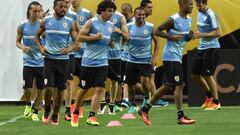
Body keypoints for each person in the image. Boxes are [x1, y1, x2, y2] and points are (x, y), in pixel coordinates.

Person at [138, 0, 196, 125]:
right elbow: (156, 31)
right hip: (171, 56)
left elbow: (182, 38)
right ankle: (180, 116)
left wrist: (189, 37)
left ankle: (145, 108)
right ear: (181, 4)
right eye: (190, 4)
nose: (192, 7)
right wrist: (170, 37)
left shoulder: (189, 20)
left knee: (168, 86)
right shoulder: (173, 19)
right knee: (180, 84)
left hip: (177, 56)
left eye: (192, 5)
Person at [71, 0, 116, 127]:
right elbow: (80, 38)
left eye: (112, 11)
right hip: (88, 62)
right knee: (84, 89)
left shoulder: (110, 25)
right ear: (102, 11)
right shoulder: (91, 22)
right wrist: (94, 38)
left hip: (103, 62)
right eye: (109, 11)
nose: (111, 14)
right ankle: (75, 112)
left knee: (100, 89)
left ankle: (91, 116)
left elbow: (107, 40)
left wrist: (110, 43)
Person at [35, 0, 77, 125]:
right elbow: (36, 36)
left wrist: (68, 49)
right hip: (49, 60)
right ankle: (47, 109)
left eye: (65, 6)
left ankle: (56, 114)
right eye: (60, 6)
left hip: (64, 61)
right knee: (48, 88)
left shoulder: (70, 22)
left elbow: (77, 42)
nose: (63, 9)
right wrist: (41, 48)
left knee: (60, 90)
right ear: (54, 7)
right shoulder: (46, 21)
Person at [124, 7, 159, 114]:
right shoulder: (128, 26)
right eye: (139, 15)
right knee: (130, 85)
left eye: (143, 15)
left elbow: (157, 42)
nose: (142, 17)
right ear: (134, 15)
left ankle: (146, 99)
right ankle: (132, 104)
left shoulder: (150, 27)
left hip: (145, 60)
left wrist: (154, 58)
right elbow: (124, 39)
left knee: (145, 81)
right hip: (131, 59)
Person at [97, 0, 128, 115]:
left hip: (115, 54)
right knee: (101, 80)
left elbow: (126, 36)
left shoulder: (120, 17)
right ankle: (102, 103)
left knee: (114, 80)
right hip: (101, 52)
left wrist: (120, 32)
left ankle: (112, 104)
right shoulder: (98, 16)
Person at [16, 1, 44, 121]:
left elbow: (49, 39)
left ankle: (35, 112)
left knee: (41, 89)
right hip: (28, 62)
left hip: (42, 62)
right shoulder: (22, 25)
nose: (37, 13)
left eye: (39, 11)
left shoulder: (43, 25)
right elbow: (17, 41)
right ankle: (28, 103)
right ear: (29, 11)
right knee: (27, 88)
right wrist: (23, 48)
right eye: (34, 11)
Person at [191, 0, 221, 110]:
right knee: (194, 75)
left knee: (207, 75)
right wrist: (196, 34)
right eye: (196, 5)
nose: (197, 8)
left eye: (199, 5)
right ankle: (209, 96)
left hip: (212, 48)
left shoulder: (211, 15)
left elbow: (218, 33)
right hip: (201, 48)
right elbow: (202, 30)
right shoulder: (199, 13)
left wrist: (201, 35)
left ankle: (216, 102)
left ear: (205, 4)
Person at [140, 0, 169, 107]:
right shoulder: (135, 23)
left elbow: (157, 42)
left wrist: (154, 57)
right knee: (134, 82)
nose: (151, 9)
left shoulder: (149, 25)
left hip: (147, 57)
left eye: (152, 7)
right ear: (142, 8)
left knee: (150, 78)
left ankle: (154, 99)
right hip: (134, 58)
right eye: (149, 7)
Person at [71, 0, 93, 118]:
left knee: (83, 82)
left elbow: (93, 29)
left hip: (84, 54)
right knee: (68, 80)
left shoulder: (88, 13)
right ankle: (69, 107)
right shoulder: (66, 13)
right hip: (70, 53)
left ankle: (79, 106)